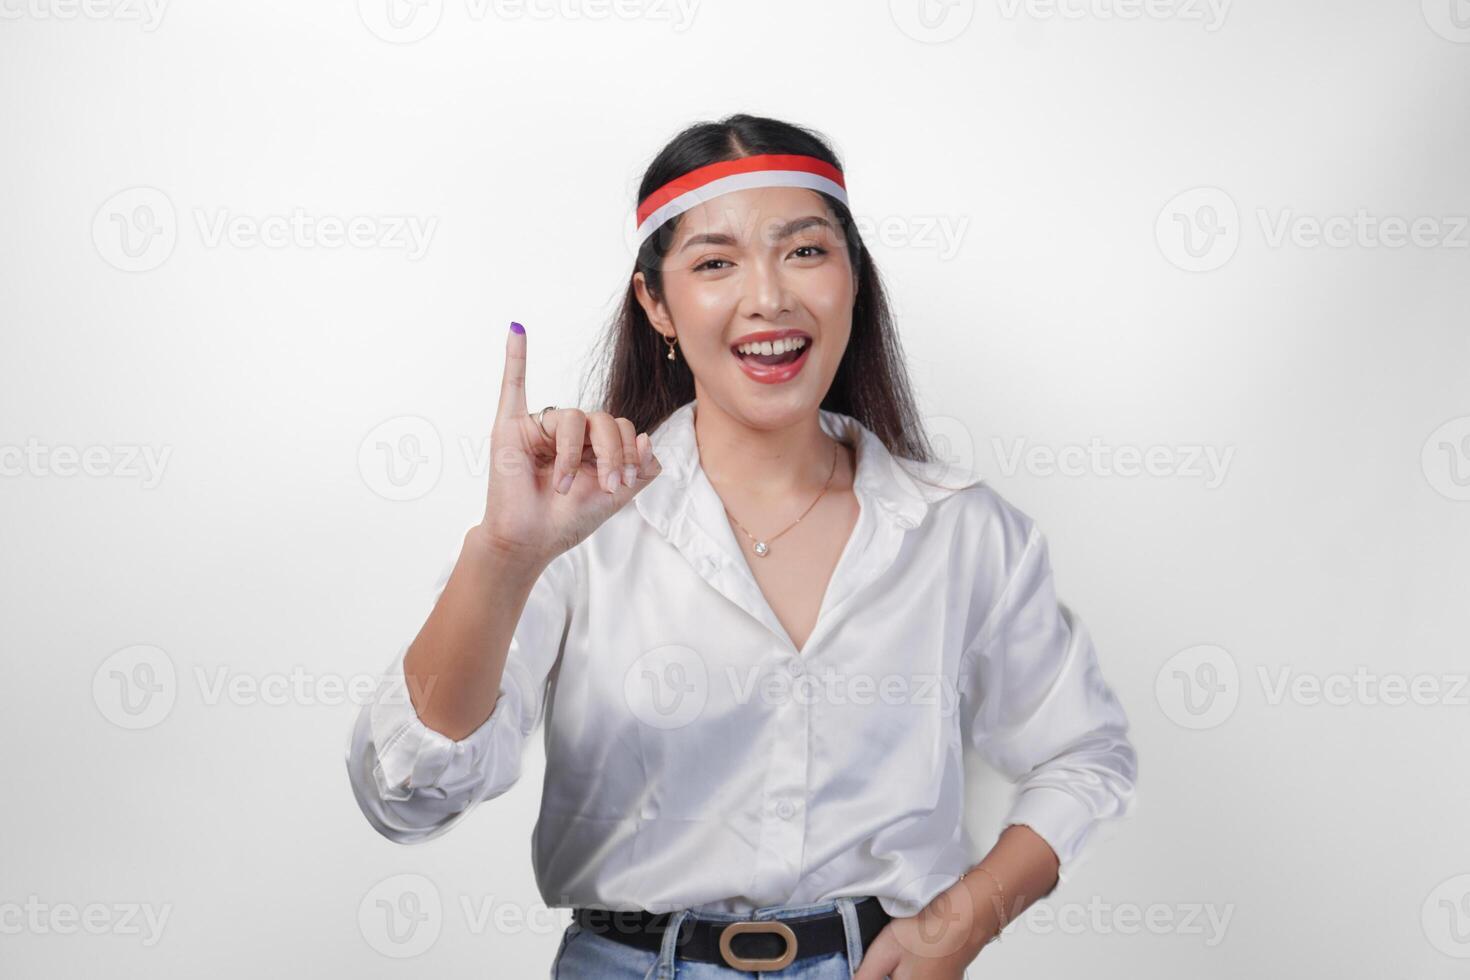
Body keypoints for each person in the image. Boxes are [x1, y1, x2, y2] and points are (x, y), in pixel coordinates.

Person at [345, 113, 1138, 979]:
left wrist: (965, 920)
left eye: (804, 251)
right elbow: (405, 796)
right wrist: (501, 554)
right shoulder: (577, 522)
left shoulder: (963, 529)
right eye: (715, 262)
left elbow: (1085, 754)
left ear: (853, 280)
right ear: (658, 305)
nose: (769, 296)